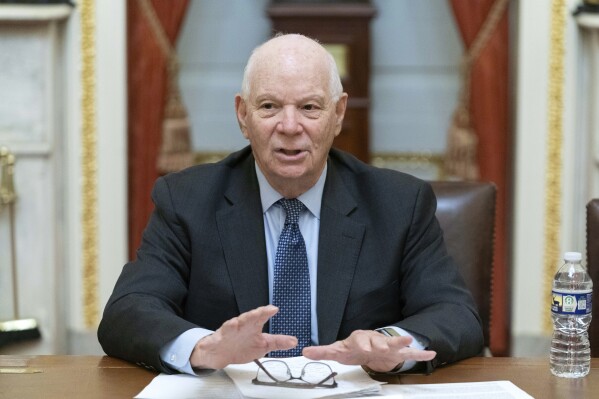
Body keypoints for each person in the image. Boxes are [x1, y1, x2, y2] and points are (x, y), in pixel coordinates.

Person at [98, 33, 483, 375]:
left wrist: (390, 345)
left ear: (338, 114)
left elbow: (456, 314)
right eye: (268, 106)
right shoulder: (186, 200)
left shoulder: (399, 203)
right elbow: (128, 311)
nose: (289, 126)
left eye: (310, 107)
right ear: (242, 115)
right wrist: (203, 347)